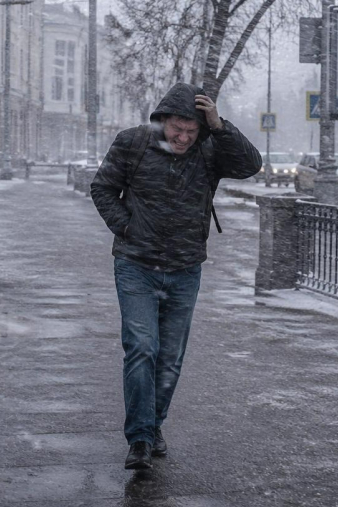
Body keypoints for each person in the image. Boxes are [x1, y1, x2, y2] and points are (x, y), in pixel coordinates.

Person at [90, 83, 262, 470]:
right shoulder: (133, 143)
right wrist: (127, 227)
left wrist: (220, 127)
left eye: (191, 131)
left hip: (185, 269)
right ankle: (139, 439)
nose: (183, 138)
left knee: (169, 359)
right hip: (136, 265)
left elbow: (251, 165)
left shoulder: (209, 149)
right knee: (141, 348)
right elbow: (102, 188)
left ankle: (153, 428)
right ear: (163, 121)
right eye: (176, 130)